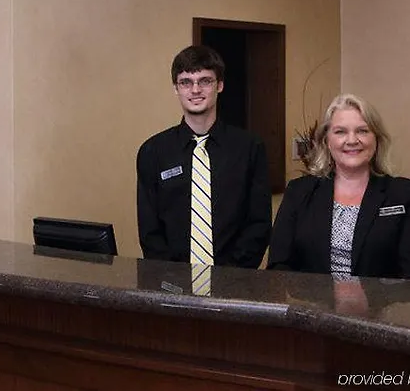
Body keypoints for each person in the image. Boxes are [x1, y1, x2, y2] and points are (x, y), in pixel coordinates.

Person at [137, 45, 271, 268]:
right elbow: (150, 232)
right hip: (171, 279)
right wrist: (171, 278)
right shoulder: (153, 152)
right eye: (186, 82)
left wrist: (233, 275)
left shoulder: (250, 148)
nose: (195, 89)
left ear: (220, 85)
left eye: (205, 81)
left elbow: (259, 224)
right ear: (176, 88)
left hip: (236, 279)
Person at [268, 93, 410, 278]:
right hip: (310, 297)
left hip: (382, 298)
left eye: (362, 131)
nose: (352, 140)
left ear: (376, 139)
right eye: (340, 132)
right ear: (327, 141)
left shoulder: (402, 194)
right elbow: (278, 265)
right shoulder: (299, 191)